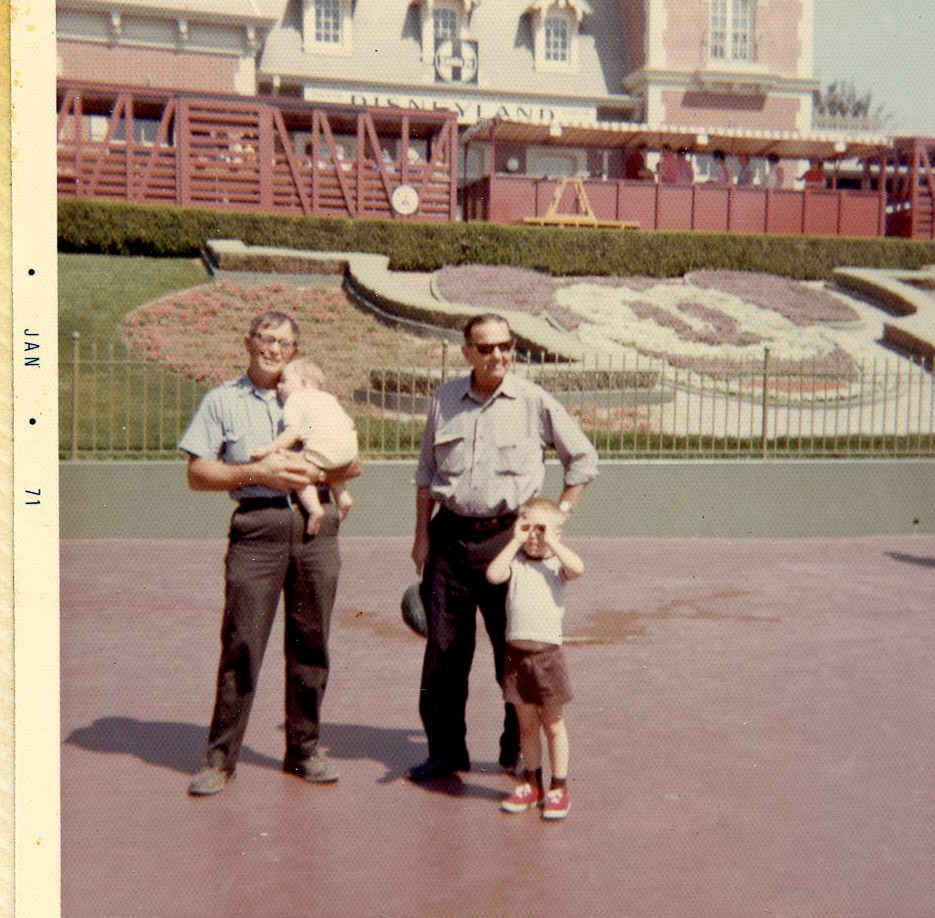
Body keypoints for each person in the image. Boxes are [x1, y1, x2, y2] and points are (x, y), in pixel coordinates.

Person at [408, 313, 598, 782]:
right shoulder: (444, 399)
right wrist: (421, 536)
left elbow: (582, 459)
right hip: (450, 538)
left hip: (509, 541)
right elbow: (426, 474)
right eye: (486, 347)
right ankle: (445, 751)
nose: (498, 355)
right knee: (444, 653)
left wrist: (557, 518)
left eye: (506, 346)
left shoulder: (534, 401)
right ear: (467, 352)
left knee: (512, 653)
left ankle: (516, 748)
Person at [180, 310, 361, 796]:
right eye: (265, 338)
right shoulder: (222, 400)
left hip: (316, 527)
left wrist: (313, 471)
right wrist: (257, 473)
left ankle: (304, 750)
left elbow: (354, 462)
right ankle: (220, 759)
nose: (273, 348)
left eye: (283, 342)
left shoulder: (313, 395)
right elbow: (198, 473)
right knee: (243, 642)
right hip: (258, 528)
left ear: (294, 351)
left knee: (311, 642)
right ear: (249, 342)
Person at [486, 498, 584, 820]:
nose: (533, 536)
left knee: (553, 724)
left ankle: (559, 787)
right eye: (527, 527)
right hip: (516, 657)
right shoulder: (516, 561)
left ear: (555, 533)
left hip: (547, 658)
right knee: (526, 726)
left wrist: (552, 541)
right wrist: (515, 539)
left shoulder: (556, 566)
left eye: (541, 529)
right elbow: (493, 574)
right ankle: (532, 783)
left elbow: (577, 568)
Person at [251, 356, 357, 536]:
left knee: (299, 471)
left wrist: (269, 449)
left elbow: (291, 433)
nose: (279, 386)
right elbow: (350, 422)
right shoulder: (328, 398)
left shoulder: (295, 400)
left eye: (284, 381)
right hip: (348, 449)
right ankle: (343, 497)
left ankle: (314, 509)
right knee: (329, 462)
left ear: (303, 382)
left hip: (325, 451)